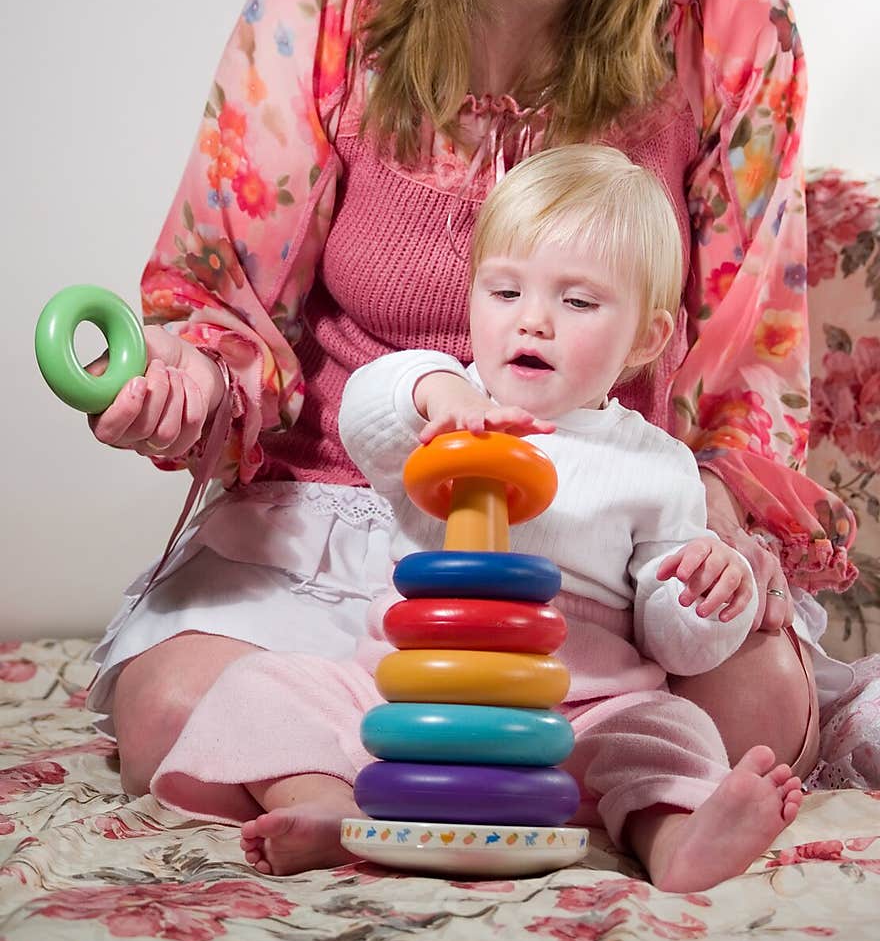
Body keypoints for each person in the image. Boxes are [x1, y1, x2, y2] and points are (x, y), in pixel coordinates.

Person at [85, 0, 858, 808]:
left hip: (605, 536)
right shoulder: (322, 3)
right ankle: (484, 773)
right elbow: (224, 307)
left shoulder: (728, 22)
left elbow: (747, 364)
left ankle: (433, 764)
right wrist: (181, 385)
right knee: (169, 713)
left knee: (756, 716)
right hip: (355, 513)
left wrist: (710, 556)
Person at [151, 143, 810, 892]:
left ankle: (678, 842)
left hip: (575, 714)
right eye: (504, 293)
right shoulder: (443, 414)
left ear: (647, 338)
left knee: (672, 732)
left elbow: (673, 639)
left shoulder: (656, 464)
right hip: (410, 708)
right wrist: (440, 396)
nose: (534, 321)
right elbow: (369, 403)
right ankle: (330, 809)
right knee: (262, 686)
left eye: (579, 301)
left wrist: (705, 594)